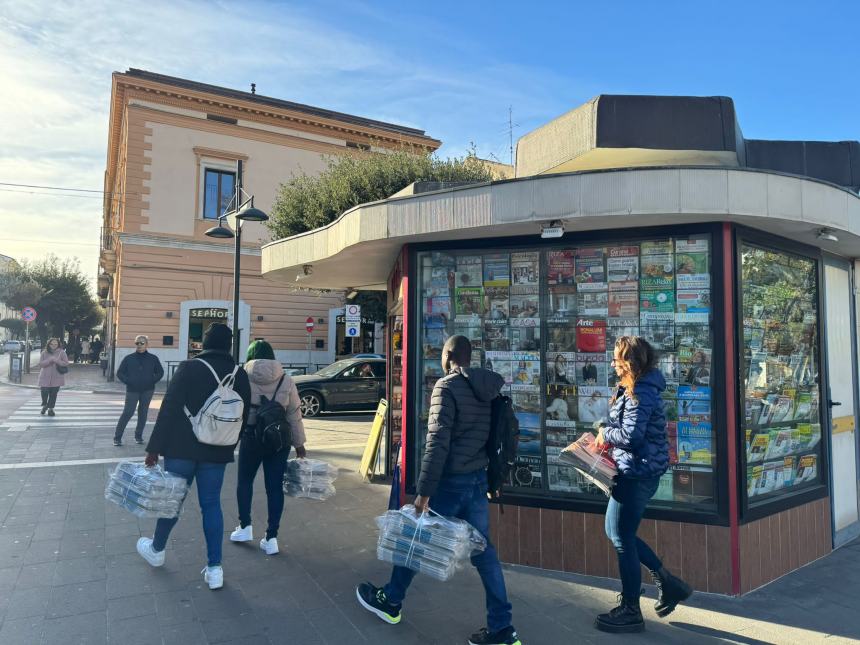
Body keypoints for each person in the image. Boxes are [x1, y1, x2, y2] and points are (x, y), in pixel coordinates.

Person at [356, 335, 521, 645]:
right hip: (477, 479)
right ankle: (503, 628)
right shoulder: (488, 388)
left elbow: (437, 443)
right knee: (485, 554)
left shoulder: (446, 387)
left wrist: (423, 492)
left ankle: (390, 600)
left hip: (450, 483)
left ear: (448, 357)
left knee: (415, 539)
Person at [136, 324, 251, 590]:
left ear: (204, 343)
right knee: (211, 505)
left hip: (181, 449)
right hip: (217, 450)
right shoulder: (240, 374)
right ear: (229, 346)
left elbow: (169, 408)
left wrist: (154, 448)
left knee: (173, 501)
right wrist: (228, 442)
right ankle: (215, 568)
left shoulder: (189, 368)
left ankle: (157, 549)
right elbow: (242, 416)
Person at [594, 336, 692, 633]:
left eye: (616, 359)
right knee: (617, 532)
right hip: (635, 469)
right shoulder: (635, 387)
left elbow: (632, 435)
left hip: (638, 472)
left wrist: (604, 435)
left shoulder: (642, 390)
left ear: (629, 362)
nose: (612, 364)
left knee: (622, 537)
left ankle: (631, 610)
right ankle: (667, 582)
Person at [230, 340, 307, 555]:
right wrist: (299, 445)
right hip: (278, 441)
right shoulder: (286, 379)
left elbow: (233, 409)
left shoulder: (242, 377)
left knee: (244, 482)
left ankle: (244, 526)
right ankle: (271, 538)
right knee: (274, 488)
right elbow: (294, 414)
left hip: (250, 438)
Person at [114, 335, 164, 446]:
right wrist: (129, 381)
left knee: (143, 413)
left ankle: (138, 436)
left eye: (142, 343)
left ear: (147, 344)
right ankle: (117, 437)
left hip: (148, 390)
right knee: (128, 412)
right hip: (132, 390)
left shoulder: (153, 358)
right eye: (137, 343)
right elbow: (120, 373)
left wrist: (152, 380)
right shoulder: (129, 358)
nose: (139, 345)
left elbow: (160, 372)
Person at [37, 338, 69, 416]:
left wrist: (56, 360)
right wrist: (49, 360)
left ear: (58, 345)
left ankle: (50, 409)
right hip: (45, 376)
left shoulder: (62, 353)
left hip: (57, 377)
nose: (53, 346)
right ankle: (45, 405)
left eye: (55, 344)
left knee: (53, 394)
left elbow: (66, 363)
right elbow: (41, 364)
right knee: (44, 392)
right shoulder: (44, 352)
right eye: (52, 344)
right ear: (49, 344)